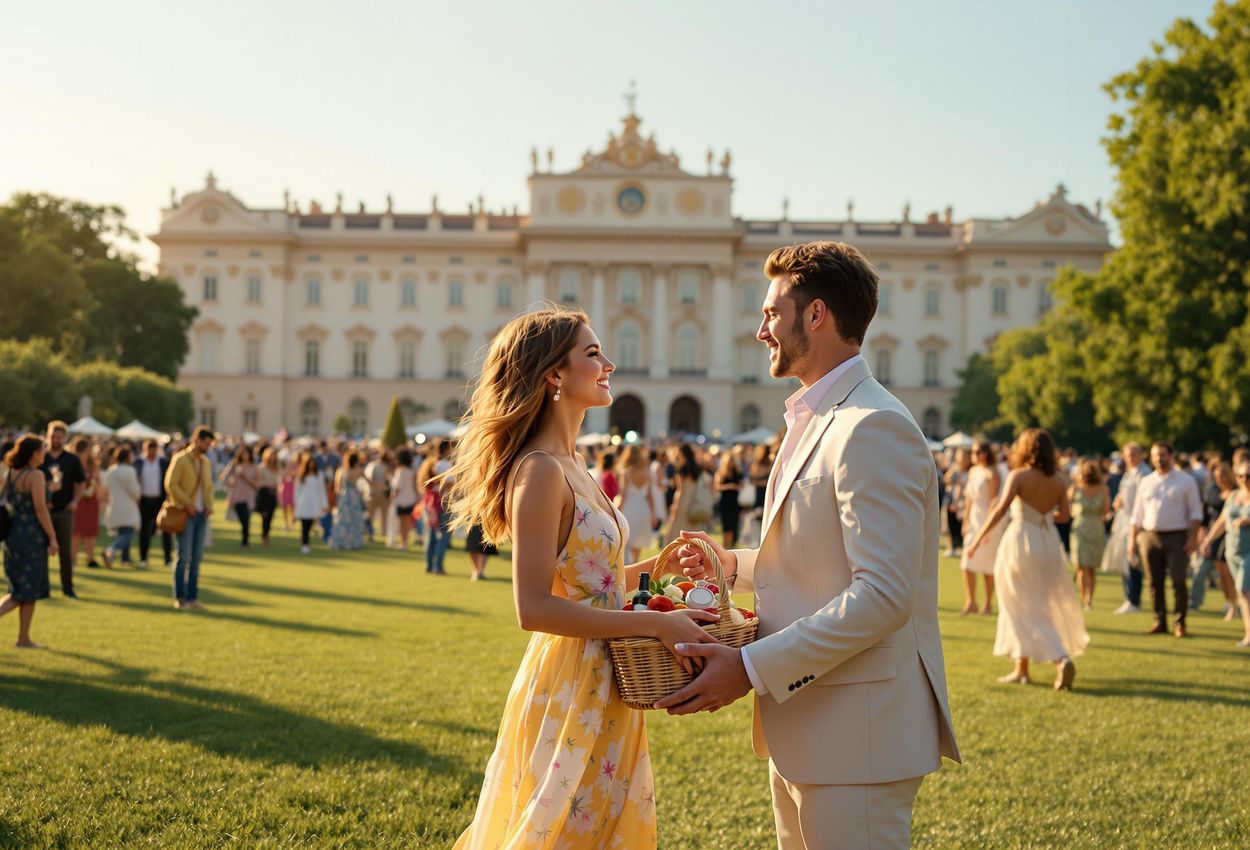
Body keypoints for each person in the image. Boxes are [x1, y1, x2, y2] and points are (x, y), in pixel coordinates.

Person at [657, 241, 960, 850]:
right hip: (811, 728)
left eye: (772, 312)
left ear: (815, 315)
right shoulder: (819, 417)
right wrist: (731, 564)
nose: (760, 328)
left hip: (859, 737)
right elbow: (814, 561)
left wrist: (747, 668)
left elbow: (882, 596)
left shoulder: (872, 425)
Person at [445, 307, 717, 849]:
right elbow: (533, 608)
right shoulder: (541, 470)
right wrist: (652, 629)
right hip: (573, 679)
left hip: (608, 673)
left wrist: (658, 568)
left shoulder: (573, 464)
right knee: (564, 828)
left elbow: (597, 582)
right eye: (593, 354)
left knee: (599, 825)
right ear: (554, 375)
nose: (609, 364)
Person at [965, 428, 1089, 689]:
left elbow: (1000, 509)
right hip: (1048, 543)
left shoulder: (1019, 475)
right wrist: (1043, 517)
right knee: (1034, 601)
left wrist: (976, 540)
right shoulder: (1057, 480)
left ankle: (1060, 657)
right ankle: (1021, 668)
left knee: (1018, 602)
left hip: (1021, 541)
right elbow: (1064, 517)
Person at [1130, 440, 1203, 638]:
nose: (1159, 459)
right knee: (1154, 582)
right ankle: (1159, 621)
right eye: (1155, 455)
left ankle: (1180, 623)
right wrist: (1132, 541)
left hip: (1177, 536)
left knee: (1179, 581)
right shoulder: (1146, 481)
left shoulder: (1185, 481)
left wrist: (1192, 539)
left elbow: (1195, 513)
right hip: (1150, 536)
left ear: (1171, 456)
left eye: (1162, 454)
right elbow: (1136, 514)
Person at [1, 435, 57, 647]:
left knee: (24, 589)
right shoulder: (36, 475)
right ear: (34, 453)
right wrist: (52, 537)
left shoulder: (11, 474)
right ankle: (23, 638)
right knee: (23, 591)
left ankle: (23, 638)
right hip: (32, 535)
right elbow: (40, 508)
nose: (44, 454)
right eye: (42, 450)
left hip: (14, 534)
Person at [1199, 462, 1250, 647]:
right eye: (1241, 476)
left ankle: (1249, 635)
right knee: (1243, 591)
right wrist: (1207, 540)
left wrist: (1248, 520)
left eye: (1248, 476)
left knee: (1244, 590)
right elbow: (1221, 521)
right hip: (1232, 551)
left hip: (1249, 552)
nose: (1245, 480)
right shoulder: (1234, 496)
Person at [165, 426, 215, 610]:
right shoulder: (180, 459)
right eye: (206, 442)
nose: (208, 446)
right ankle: (180, 597)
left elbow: (208, 488)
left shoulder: (206, 463)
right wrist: (187, 503)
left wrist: (209, 506)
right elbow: (171, 484)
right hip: (185, 514)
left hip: (202, 514)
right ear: (197, 440)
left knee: (196, 558)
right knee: (183, 557)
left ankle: (193, 597)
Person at [41, 421, 85, 598]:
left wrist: (75, 501)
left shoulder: (71, 459)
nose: (55, 440)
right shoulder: (41, 457)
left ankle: (68, 587)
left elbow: (81, 483)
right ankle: (43, 588)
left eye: (59, 437)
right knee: (41, 549)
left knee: (65, 551)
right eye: (52, 436)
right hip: (43, 511)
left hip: (64, 510)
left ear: (64, 438)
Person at [1110, 442, 1153, 614]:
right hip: (1124, 520)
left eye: (1133, 454)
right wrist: (1118, 502)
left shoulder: (1144, 474)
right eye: (1127, 455)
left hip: (1135, 522)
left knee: (1133, 561)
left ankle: (1133, 599)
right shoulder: (1129, 473)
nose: (1130, 458)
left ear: (1141, 454)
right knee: (1126, 560)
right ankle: (1128, 597)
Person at [960, 442, 1002, 615]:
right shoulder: (973, 471)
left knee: (987, 566)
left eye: (978, 452)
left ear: (985, 453)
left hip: (987, 521)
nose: (974, 455)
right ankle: (971, 602)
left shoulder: (993, 473)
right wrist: (965, 520)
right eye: (973, 452)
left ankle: (988, 603)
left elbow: (994, 501)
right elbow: (969, 498)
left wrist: (987, 529)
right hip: (974, 520)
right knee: (966, 564)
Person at [1068, 459, 1111, 609]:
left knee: (1084, 567)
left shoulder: (1077, 489)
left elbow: (1066, 508)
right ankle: (1087, 599)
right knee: (1085, 567)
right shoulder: (1099, 489)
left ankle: (1086, 599)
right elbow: (1105, 511)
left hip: (1083, 526)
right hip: (1091, 527)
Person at [615, 444, 657, 564]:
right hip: (643, 510)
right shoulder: (647, 473)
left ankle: (628, 570)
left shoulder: (625, 473)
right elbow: (650, 497)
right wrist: (653, 514)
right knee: (638, 544)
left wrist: (615, 512)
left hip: (629, 509)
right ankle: (635, 566)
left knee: (627, 542)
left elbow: (622, 495)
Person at [101, 446, 141, 568]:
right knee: (128, 534)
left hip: (114, 506)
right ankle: (111, 549)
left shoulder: (110, 471)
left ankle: (125, 559)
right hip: (128, 506)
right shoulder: (130, 471)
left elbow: (106, 490)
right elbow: (135, 492)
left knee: (123, 533)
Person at [135, 439, 172, 568]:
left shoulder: (163, 462)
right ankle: (143, 558)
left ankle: (168, 558)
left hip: (160, 500)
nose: (152, 452)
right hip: (144, 500)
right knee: (144, 531)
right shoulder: (139, 462)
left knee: (166, 529)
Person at [420, 440, 454, 574]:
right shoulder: (446, 464)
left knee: (432, 537)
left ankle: (429, 565)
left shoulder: (428, 464)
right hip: (442, 504)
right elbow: (450, 483)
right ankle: (438, 566)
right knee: (444, 537)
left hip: (429, 503)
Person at [70, 438, 102, 570]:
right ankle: (72, 559)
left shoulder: (92, 465)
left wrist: (94, 486)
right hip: (79, 501)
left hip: (91, 501)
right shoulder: (73, 464)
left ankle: (91, 558)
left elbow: (97, 480)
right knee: (76, 531)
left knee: (90, 531)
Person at [220, 445, 258, 548]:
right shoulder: (235, 464)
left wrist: (244, 478)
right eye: (243, 453)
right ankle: (245, 540)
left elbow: (257, 484)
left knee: (247, 521)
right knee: (243, 520)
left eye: (247, 453)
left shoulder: (254, 466)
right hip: (237, 496)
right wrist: (230, 481)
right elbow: (224, 477)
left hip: (249, 497)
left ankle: (245, 541)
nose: (245, 455)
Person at [329, 451, 366, 550]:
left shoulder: (341, 470)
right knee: (354, 519)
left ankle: (341, 541)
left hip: (345, 496)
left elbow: (337, 487)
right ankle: (353, 541)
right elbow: (368, 481)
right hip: (354, 496)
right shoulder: (358, 470)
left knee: (343, 519)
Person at [294, 452, 328, 554]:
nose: (311, 465)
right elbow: (297, 491)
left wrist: (324, 504)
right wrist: (296, 504)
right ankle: (305, 544)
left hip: (314, 502)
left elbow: (322, 490)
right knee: (304, 524)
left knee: (310, 524)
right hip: (304, 502)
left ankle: (306, 542)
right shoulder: (301, 475)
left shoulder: (319, 475)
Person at [713, 447, 744, 547]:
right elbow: (716, 486)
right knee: (726, 526)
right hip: (725, 502)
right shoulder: (721, 473)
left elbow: (742, 486)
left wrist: (735, 487)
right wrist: (728, 487)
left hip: (734, 502)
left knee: (733, 525)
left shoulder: (737, 472)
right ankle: (725, 545)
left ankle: (729, 546)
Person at [390, 448, 419, 550]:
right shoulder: (412, 470)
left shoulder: (400, 470)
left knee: (402, 523)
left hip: (401, 499)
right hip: (411, 498)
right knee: (407, 522)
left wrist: (392, 496)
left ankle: (403, 543)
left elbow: (398, 485)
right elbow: (415, 485)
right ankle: (404, 542)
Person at [944, 449, 970, 558]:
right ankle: (951, 547)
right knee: (950, 524)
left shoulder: (970, 471)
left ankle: (962, 546)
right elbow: (946, 479)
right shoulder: (954, 469)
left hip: (964, 501)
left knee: (962, 524)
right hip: (952, 500)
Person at [254, 448, 280, 546]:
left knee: (270, 516)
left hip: (273, 494)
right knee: (265, 516)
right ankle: (264, 536)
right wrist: (268, 484)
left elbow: (279, 480)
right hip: (264, 493)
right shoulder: (261, 468)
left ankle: (267, 534)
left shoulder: (277, 468)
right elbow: (257, 482)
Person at [279, 454, 296, 531]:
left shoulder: (294, 471)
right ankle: (286, 524)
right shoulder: (282, 471)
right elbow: (280, 482)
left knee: (293, 507)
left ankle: (293, 520)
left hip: (292, 491)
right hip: (284, 492)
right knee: (284, 508)